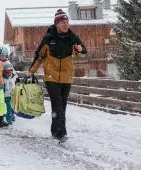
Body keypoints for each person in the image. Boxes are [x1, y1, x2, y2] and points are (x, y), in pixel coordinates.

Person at [29, 9, 87, 141]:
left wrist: (80, 49)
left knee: (62, 105)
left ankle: (55, 130)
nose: (66, 24)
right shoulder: (48, 38)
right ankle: (61, 133)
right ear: (56, 24)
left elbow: (83, 53)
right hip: (51, 77)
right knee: (57, 104)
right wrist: (32, 70)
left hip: (66, 77)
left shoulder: (72, 37)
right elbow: (39, 56)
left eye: (67, 22)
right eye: (62, 22)